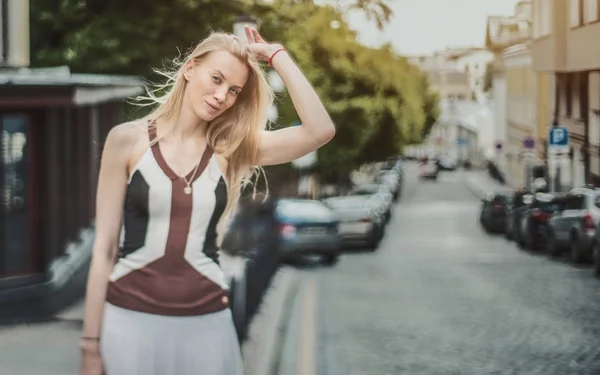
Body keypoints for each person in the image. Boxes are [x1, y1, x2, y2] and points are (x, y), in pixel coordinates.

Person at [79, 26, 335, 375]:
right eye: (216, 79)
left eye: (233, 90)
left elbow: (320, 131)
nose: (221, 96)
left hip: (206, 327)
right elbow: (104, 248)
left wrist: (277, 56)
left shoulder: (232, 148)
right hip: (129, 323)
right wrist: (90, 345)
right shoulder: (126, 140)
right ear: (190, 68)